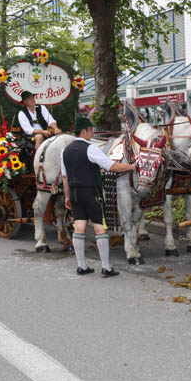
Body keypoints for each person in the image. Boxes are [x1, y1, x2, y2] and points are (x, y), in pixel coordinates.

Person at [61, 116, 137, 276]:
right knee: (99, 228)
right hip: (90, 192)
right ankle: (106, 267)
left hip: (74, 192)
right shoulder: (91, 148)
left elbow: (65, 176)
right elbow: (112, 166)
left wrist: (67, 196)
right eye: (90, 130)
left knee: (79, 227)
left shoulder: (65, 151)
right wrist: (131, 166)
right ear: (84, 131)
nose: (92, 133)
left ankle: (81, 266)